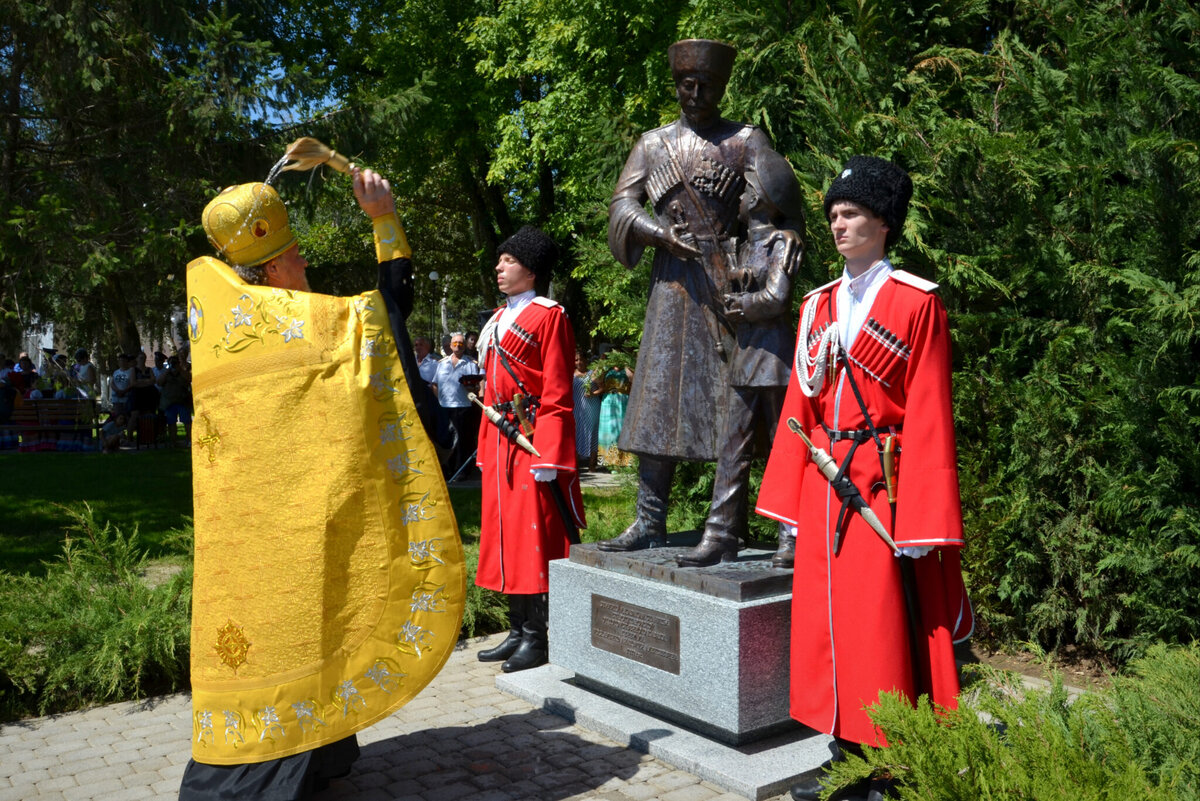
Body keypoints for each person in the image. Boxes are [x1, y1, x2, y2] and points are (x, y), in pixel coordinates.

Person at [179, 169, 464, 801]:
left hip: (244, 540)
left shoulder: (217, 327)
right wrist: (383, 221)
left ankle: (320, 751)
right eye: (295, 253)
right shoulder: (301, 325)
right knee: (305, 622)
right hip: (282, 528)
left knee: (302, 626)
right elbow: (384, 318)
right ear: (274, 265)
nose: (305, 261)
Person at [755, 156, 972, 800]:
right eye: (833, 215)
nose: (838, 225)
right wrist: (791, 496)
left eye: (850, 214)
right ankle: (842, 746)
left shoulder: (914, 302)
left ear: (882, 223)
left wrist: (925, 517)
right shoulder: (817, 306)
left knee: (881, 623)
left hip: (885, 485)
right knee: (828, 622)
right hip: (826, 485)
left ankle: (891, 758)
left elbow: (931, 410)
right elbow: (801, 404)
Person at [600, 39, 803, 554]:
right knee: (655, 400)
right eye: (687, 84)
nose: (695, 93)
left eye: (706, 85)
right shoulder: (653, 145)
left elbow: (782, 203)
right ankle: (649, 520)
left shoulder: (745, 141)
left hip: (728, 281)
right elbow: (623, 206)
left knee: (745, 408)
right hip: (671, 284)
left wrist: (789, 240)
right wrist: (656, 233)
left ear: (721, 87)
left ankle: (758, 526)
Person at [474, 225, 586, 673]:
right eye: (500, 260)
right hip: (500, 439)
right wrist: (485, 448)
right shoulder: (498, 319)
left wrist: (550, 453)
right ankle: (517, 629)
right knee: (505, 538)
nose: (499, 267)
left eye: (508, 261)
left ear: (531, 270)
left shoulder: (549, 315)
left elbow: (558, 390)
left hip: (530, 441)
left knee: (533, 538)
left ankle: (538, 637)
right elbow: (491, 391)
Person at [431, 332, 483, 478]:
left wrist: (472, 389)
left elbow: (477, 386)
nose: (458, 345)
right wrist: (439, 399)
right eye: (455, 343)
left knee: (462, 442)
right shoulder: (441, 363)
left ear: (465, 345)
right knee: (445, 440)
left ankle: (462, 472)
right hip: (444, 407)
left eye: (461, 343)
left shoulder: (471, 364)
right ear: (450, 345)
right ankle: (447, 470)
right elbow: (434, 385)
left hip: (463, 406)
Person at [595, 355, 633, 468]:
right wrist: (602, 364)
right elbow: (595, 379)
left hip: (623, 401)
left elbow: (633, 378)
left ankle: (625, 462)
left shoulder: (627, 369)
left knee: (621, 431)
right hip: (608, 402)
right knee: (609, 432)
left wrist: (626, 364)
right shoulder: (607, 369)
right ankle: (610, 463)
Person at [572, 349, 600, 471]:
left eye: (581, 359)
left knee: (592, 433)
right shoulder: (571, 374)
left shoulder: (592, 373)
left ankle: (592, 464)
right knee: (576, 433)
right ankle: (575, 464)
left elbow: (602, 388)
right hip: (577, 409)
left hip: (592, 408)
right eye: (576, 360)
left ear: (586, 360)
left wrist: (593, 394)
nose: (579, 362)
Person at [156, 354, 192, 447]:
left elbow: (189, 379)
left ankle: (190, 440)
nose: (173, 364)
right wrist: (168, 370)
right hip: (169, 402)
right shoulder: (166, 373)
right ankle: (173, 442)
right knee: (171, 423)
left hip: (182, 401)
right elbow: (159, 382)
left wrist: (179, 369)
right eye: (171, 362)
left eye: (175, 362)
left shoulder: (183, 372)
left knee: (187, 422)